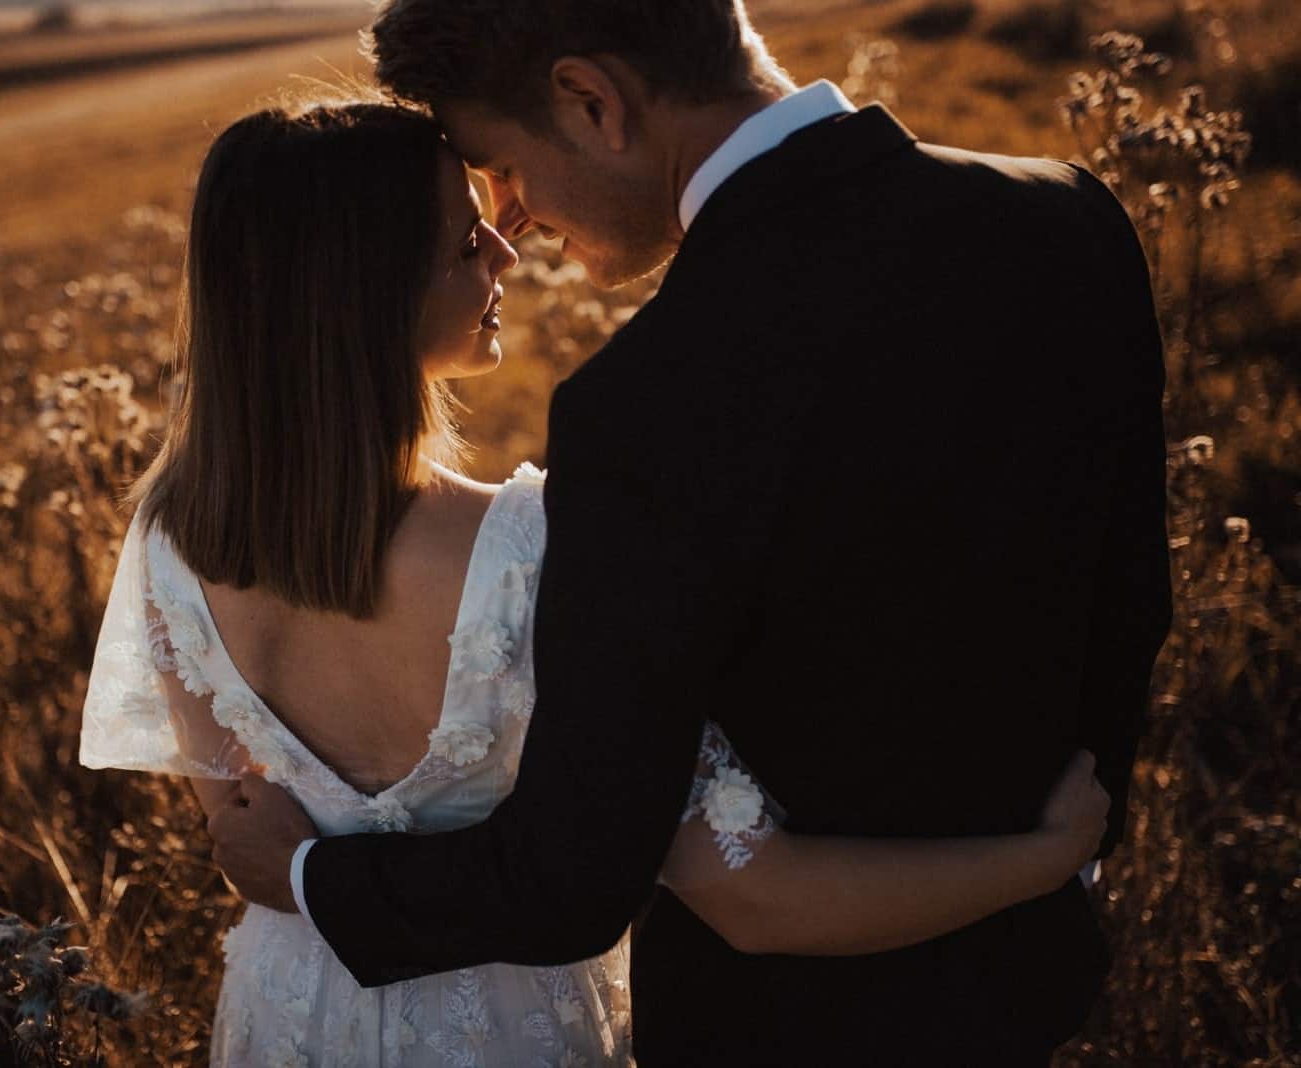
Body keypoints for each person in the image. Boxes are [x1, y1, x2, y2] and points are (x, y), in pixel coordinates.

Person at [201, 2, 1175, 1065]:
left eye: (503, 171)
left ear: (591, 101)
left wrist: (306, 877)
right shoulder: (1066, 215)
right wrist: (1054, 866)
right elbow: (1132, 606)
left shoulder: (644, 410)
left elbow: (574, 881)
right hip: (1031, 990)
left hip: (771, 1032)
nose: (510, 224)